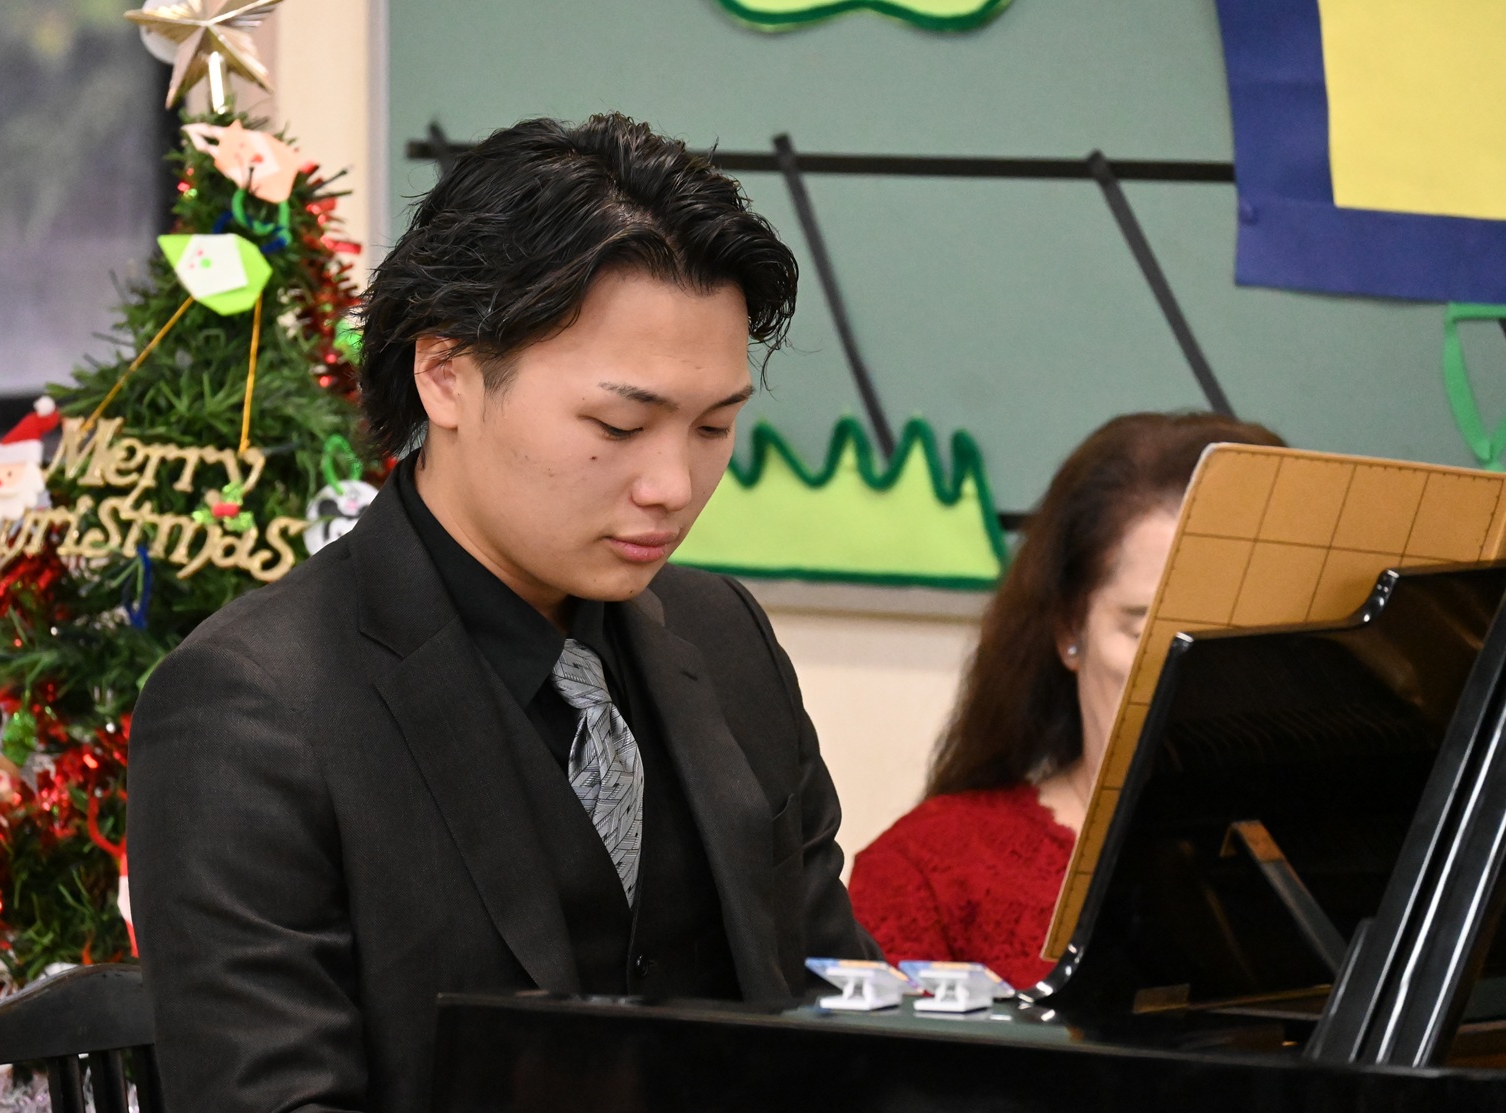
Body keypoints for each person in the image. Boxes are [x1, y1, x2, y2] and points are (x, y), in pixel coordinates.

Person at [127, 113, 877, 1113]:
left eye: (713, 428)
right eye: (619, 423)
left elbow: (841, 1012)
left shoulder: (722, 636)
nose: (671, 485)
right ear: (444, 373)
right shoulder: (254, 708)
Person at [847, 412, 1283, 988]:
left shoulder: (1364, 865)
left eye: (1237, 632)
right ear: (1070, 628)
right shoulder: (926, 872)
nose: (1197, 669)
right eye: (1148, 631)